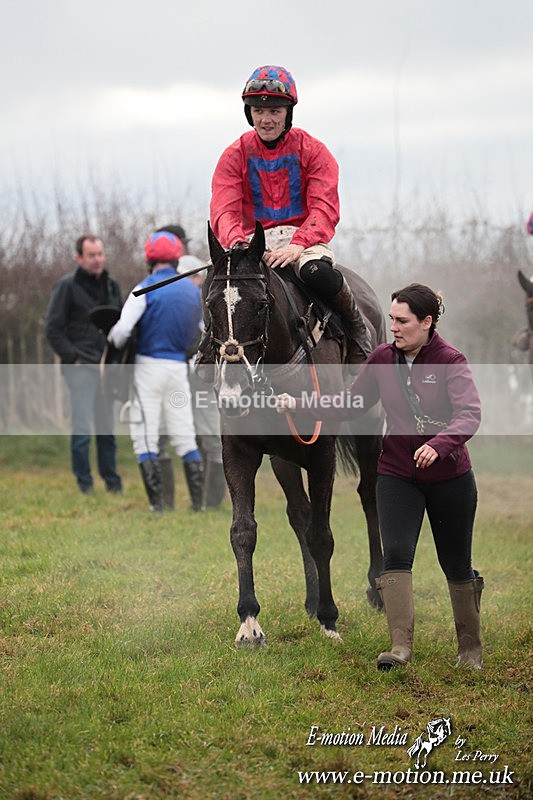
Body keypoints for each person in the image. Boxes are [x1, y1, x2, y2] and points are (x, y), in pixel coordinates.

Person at [275, 284, 484, 671]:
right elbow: (350, 401)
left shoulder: (451, 360)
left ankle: (469, 651)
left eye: (402, 321)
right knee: (397, 555)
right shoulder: (381, 359)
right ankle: (399, 648)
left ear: (427, 322)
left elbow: (469, 414)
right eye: (390, 319)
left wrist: (440, 445)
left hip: (450, 477)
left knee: (455, 563)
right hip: (397, 475)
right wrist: (299, 404)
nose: (393, 328)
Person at [202, 64, 370, 369]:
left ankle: (357, 331)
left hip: (303, 242)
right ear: (248, 112)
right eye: (258, 111)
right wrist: (239, 244)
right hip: (253, 244)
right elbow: (224, 208)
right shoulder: (233, 155)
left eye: (275, 111)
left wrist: (298, 244)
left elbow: (324, 207)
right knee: (216, 280)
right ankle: (209, 348)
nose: (266, 119)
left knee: (316, 274)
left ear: (288, 112)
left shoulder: (315, 151)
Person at [108, 231, 204, 512]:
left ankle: (157, 506)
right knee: (184, 434)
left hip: (147, 369)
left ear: (149, 257)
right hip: (179, 370)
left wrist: (110, 339)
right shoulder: (192, 292)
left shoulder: (144, 288)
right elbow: (207, 333)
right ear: (176, 257)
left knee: (145, 435)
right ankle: (197, 505)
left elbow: (121, 332)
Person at [45, 235, 123, 495]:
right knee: (82, 429)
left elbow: (120, 326)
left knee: (107, 429)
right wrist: (72, 357)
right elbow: (52, 329)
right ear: (79, 257)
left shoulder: (112, 286)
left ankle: (112, 482)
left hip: (106, 369)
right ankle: (85, 484)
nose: (97, 259)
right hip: (80, 367)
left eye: (100, 253)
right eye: (92, 255)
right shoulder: (66, 287)